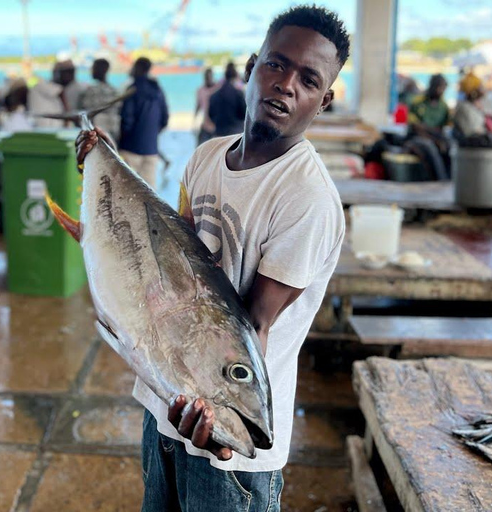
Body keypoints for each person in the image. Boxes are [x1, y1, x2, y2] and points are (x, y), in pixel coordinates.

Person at [75, 5, 348, 509]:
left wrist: (220, 423)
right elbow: (167, 251)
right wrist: (108, 201)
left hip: (233, 451)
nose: (286, 84)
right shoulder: (206, 156)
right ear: (251, 67)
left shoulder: (306, 197)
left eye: (308, 79)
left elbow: (255, 327)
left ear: (324, 99)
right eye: (276, 64)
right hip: (163, 406)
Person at [117, 57, 169, 189]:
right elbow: (165, 119)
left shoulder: (132, 90)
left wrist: (121, 140)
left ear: (138, 68)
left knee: (127, 191)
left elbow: (127, 120)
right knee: (149, 194)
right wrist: (151, 134)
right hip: (151, 149)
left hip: (130, 148)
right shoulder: (158, 90)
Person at [406, 74, 451, 180]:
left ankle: (451, 179)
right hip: (416, 138)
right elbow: (416, 127)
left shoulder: (443, 106)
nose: (441, 91)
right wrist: (433, 138)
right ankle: (440, 180)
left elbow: (443, 128)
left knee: (451, 146)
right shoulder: (418, 101)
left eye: (443, 88)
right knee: (429, 147)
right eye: (439, 87)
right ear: (432, 86)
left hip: (436, 137)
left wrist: (440, 140)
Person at [78, 58, 120, 141]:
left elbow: (84, 112)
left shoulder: (90, 90)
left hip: (95, 134)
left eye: (93, 68)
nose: (91, 71)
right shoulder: (114, 91)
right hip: (113, 134)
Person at [208, 62, 247, 137]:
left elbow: (211, 114)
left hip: (219, 133)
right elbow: (244, 113)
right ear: (235, 76)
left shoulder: (215, 95)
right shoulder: (238, 94)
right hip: (235, 134)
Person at [28, 60, 69, 128]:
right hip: (48, 126)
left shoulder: (46, 85)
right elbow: (60, 91)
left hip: (49, 125)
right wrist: (67, 115)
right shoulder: (41, 83)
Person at [194, 68, 218, 145]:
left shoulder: (217, 89)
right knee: (200, 148)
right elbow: (198, 105)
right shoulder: (200, 90)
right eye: (206, 77)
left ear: (212, 76)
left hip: (217, 125)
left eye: (209, 76)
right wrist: (194, 120)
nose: (208, 79)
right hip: (205, 125)